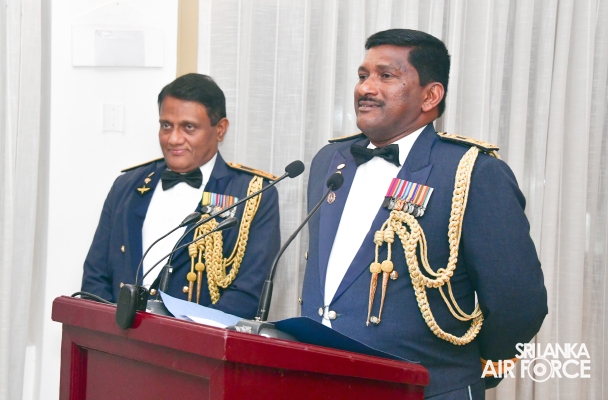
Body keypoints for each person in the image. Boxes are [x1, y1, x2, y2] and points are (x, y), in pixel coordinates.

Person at [301, 29, 547, 399]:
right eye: (363, 75)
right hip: (321, 381)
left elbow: (518, 302)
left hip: (426, 389)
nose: (365, 88)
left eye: (386, 76)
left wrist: (466, 369)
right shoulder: (330, 161)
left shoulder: (471, 171)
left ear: (430, 96)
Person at [82, 73, 281, 319]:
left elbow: (248, 294)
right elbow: (95, 276)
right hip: (119, 336)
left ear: (220, 130)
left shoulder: (252, 194)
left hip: (197, 340)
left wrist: (181, 335)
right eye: (166, 125)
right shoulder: (127, 186)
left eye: (189, 127)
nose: (174, 139)